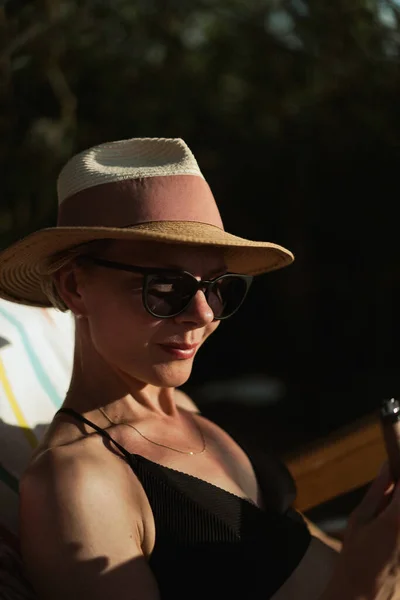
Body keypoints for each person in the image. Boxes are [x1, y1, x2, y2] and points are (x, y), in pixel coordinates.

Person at [0, 137, 398, 600]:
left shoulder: (180, 407)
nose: (204, 313)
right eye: (166, 286)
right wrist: (363, 586)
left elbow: (296, 551)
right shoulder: (76, 483)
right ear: (74, 287)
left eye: (218, 287)